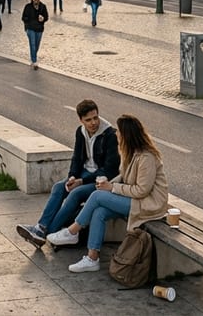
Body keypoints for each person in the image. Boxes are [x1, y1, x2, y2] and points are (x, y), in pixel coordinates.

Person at [47, 114, 170, 273]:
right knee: (99, 211)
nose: (116, 134)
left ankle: (72, 231)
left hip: (149, 205)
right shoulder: (131, 152)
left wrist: (111, 188)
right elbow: (124, 176)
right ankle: (92, 258)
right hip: (135, 200)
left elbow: (142, 190)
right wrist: (108, 182)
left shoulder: (146, 157)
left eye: (118, 132)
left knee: (98, 196)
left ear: (127, 135)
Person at [16, 100, 120, 247]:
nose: (93, 123)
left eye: (95, 118)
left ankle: (48, 234)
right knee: (59, 187)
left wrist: (81, 182)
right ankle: (41, 228)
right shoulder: (81, 131)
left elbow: (110, 170)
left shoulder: (109, 135)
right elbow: (77, 158)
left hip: (103, 180)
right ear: (81, 120)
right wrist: (72, 176)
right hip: (84, 173)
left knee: (75, 193)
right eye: (88, 120)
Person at [21, 0, 49, 69]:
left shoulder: (43, 6)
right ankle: (34, 61)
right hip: (30, 28)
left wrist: (43, 19)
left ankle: (33, 56)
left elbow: (46, 17)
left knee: (37, 45)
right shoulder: (28, 7)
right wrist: (27, 23)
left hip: (39, 28)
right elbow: (23, 17)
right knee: (32, 44)